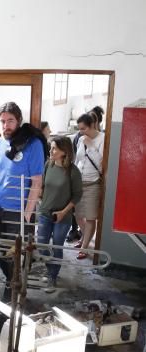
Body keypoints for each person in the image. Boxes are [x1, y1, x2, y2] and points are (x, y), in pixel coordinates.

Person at [0, 102, 46, 301]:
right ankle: (10, 280)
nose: (6, 125)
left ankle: (17, 287)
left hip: (19, 211)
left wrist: (27, 213)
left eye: (10, 121)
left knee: (19, 254)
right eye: (2, 121)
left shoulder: (33, 145)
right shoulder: (0, 142)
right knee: (1, 249)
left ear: (19, 121)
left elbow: (37, 181)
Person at [37, 137, 82, 292]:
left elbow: (77, 195)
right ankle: (51, 268)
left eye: (54, 148)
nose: (51, 151)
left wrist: (63, 212)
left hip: (63, 216)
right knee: (41, 245)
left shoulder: (73, 171)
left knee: (57, 246)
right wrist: (39, 198)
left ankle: (52, 276)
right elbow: (43, 186)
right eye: (51, 147)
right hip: (44, 213)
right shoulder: (48, 165)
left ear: (64, 151)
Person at [74, 112, 105, 258]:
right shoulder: (80, 139)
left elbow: (102, 163)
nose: (81, 132)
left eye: (84, 128)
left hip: (93, 183)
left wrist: (91, 146)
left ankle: (85, 247)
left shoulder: (103, 138)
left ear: (92, 125)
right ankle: (85, 237)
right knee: (78, 215)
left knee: (91, 217)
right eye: (79, 129)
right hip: (79, 182)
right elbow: (78, 160)